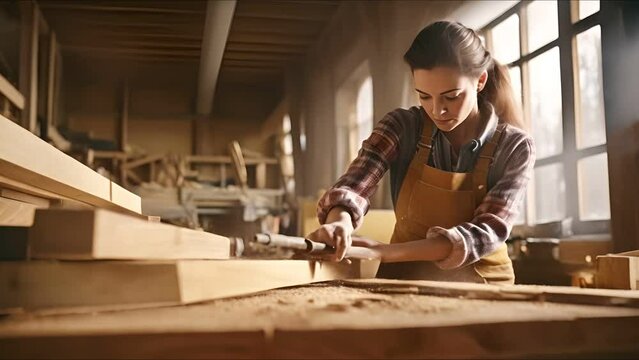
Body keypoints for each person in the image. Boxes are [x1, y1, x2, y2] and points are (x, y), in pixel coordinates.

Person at [307, 21, 536, 285]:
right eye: (424, 96)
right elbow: (355, 185)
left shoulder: (515, 147)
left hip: (482, 283)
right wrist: (340, 223)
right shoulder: (402, 127)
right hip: (402, 279)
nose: (437, 110)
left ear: (480, 80)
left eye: (451, 97)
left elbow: (487, 230)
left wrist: (384, 252)